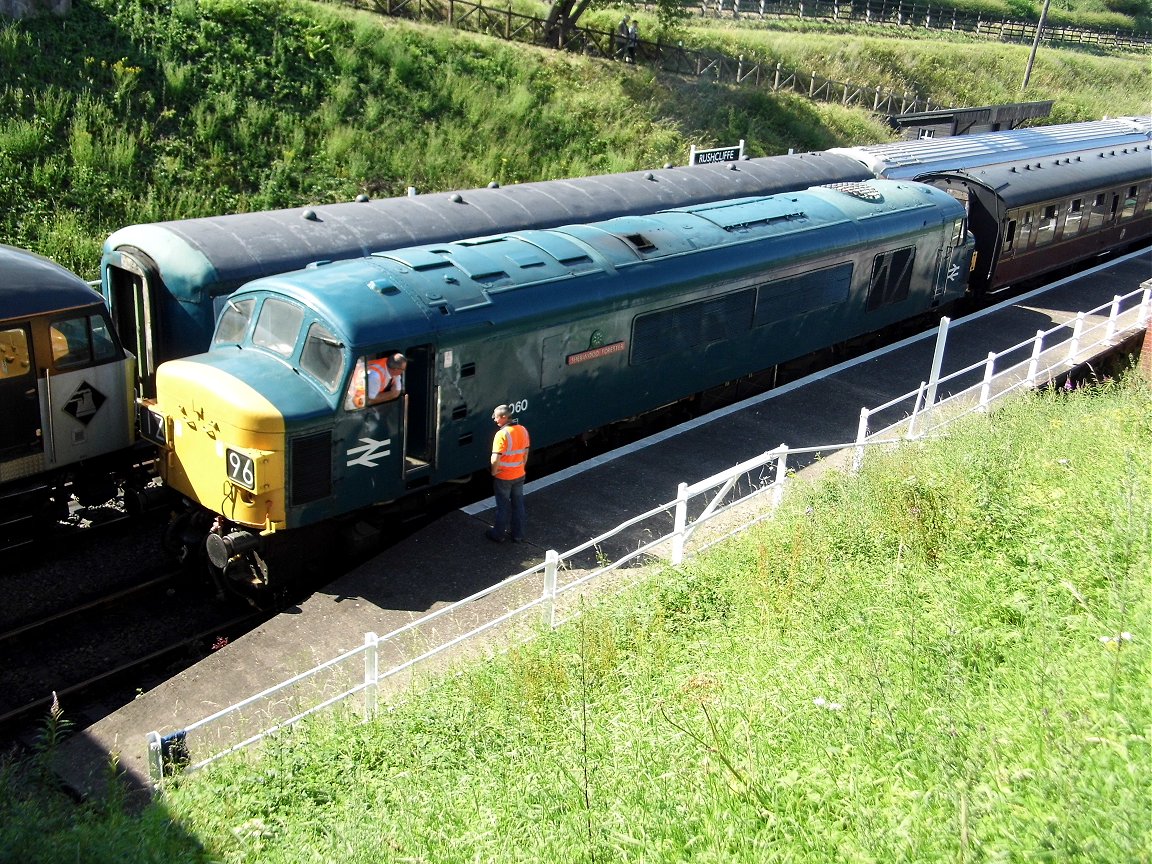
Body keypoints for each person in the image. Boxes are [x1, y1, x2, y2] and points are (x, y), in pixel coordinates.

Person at [486, 404, 530, 543]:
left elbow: (495, 457)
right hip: (519, 475)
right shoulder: (523, 430)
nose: (494, 420)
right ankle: (518, 535)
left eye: (497, 417)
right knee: (518, 505)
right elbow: (525, 453)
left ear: (504, 417)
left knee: (503, 507)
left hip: (504, 476)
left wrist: (494, 471)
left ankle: (498, 535)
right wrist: (521, 466)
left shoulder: (501, 434)